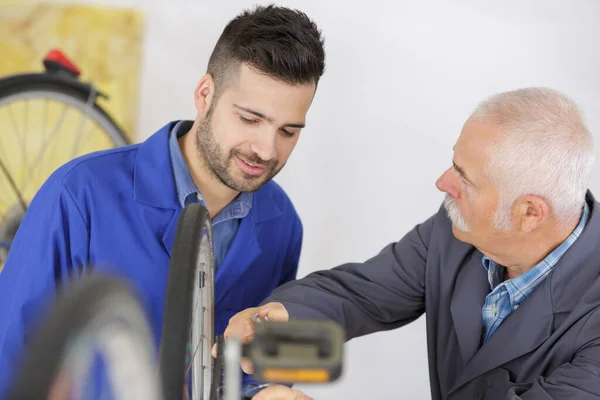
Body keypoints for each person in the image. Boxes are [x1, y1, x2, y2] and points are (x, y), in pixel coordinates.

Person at [0, 5, 325, 398]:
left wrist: (269, 391)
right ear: (205, 94)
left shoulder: (283, 225)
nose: (266, 149)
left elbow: (264, 365)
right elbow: (13, 360)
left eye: (288, 131)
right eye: (250, 119)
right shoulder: (79, 194)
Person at [222, 87, 600, 399]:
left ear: (529, 213)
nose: (442, 183)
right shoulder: (457, 231)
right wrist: (278, 319)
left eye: (464, 180)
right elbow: (360, 294)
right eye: (454, 163)